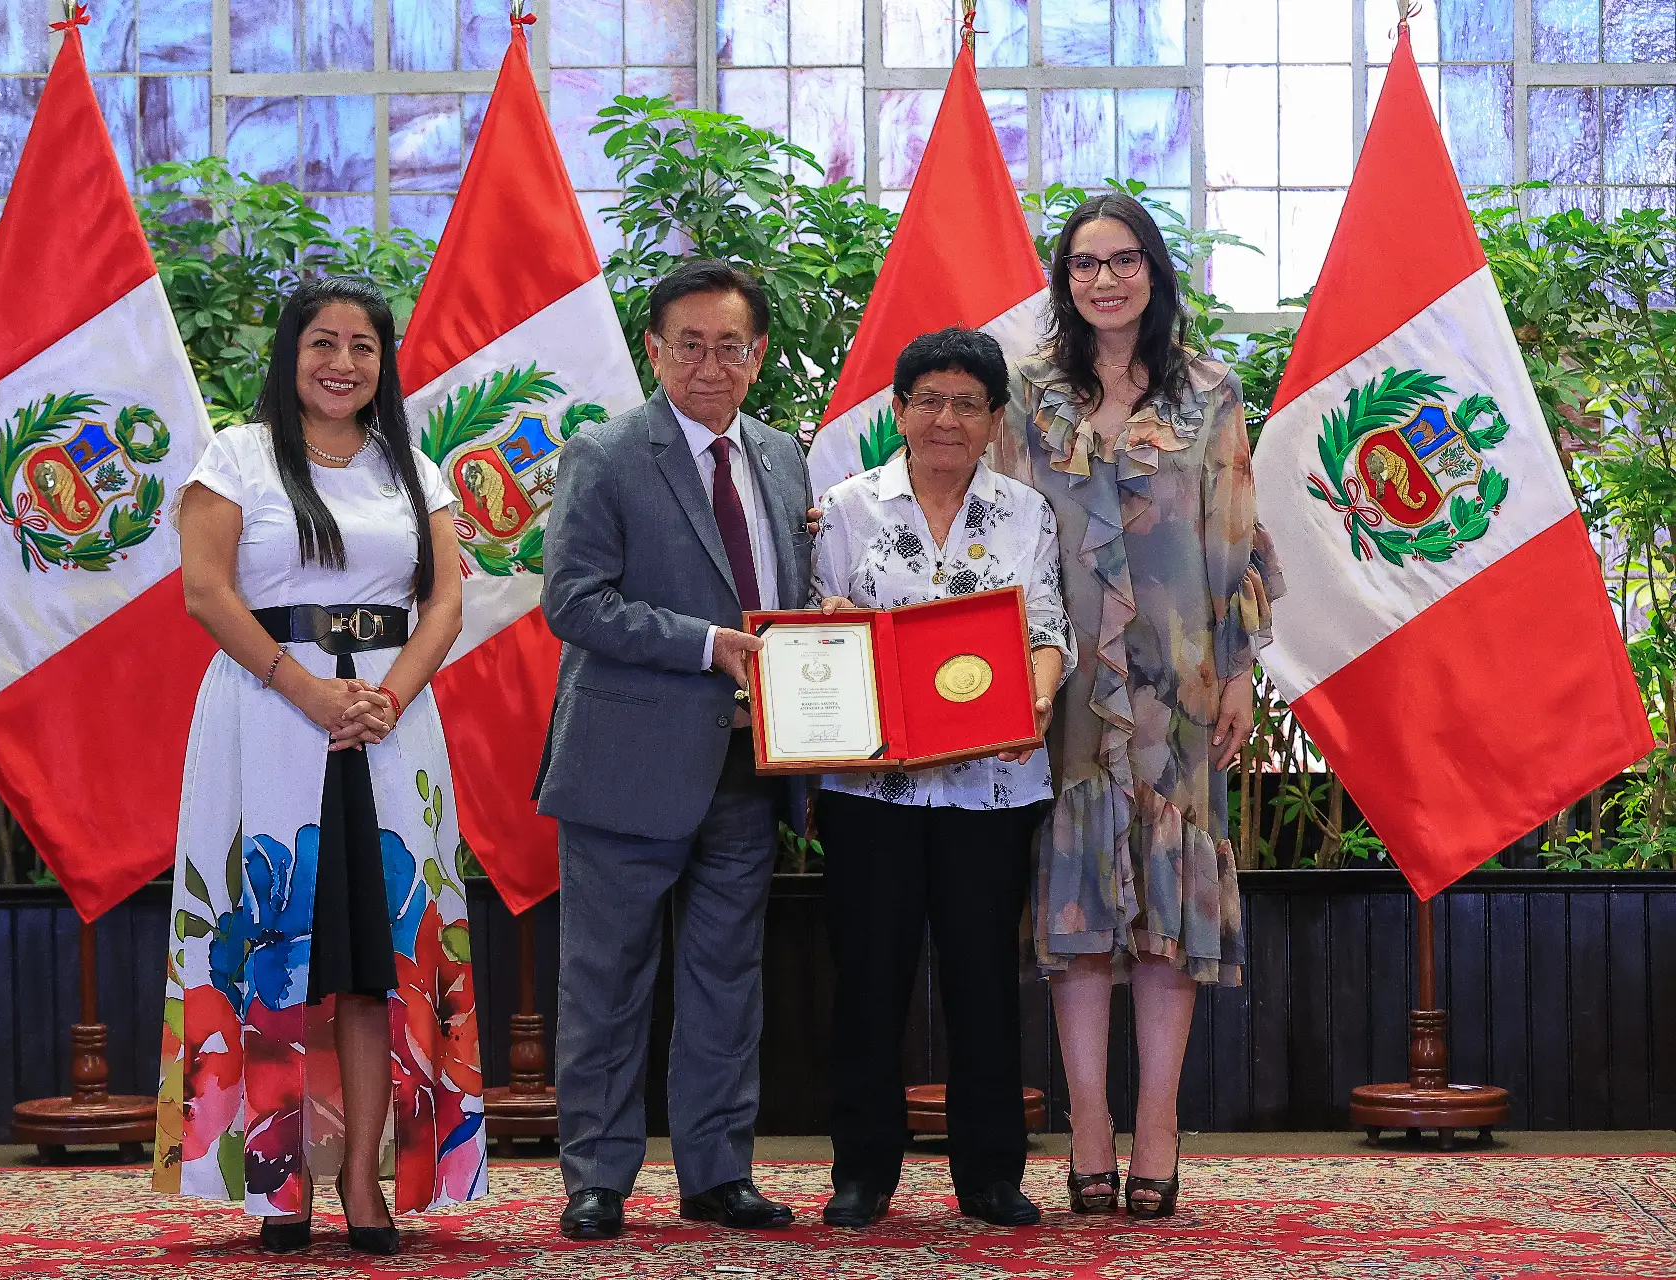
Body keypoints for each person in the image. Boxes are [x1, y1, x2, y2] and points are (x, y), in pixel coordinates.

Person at [156, 276, 485, 1255]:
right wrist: (305, 688)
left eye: (363, 347)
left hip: (390, 726)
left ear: (384, 365)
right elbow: (206, 591)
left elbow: (446, 603)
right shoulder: (240, 456)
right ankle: (277, 1178)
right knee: (276, 953)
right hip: (268, 716)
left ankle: (367, 1185)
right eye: (323, 344)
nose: (343, 363)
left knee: (378, 965)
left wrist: (390, 694)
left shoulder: (409, 466)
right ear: (291, 355)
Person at [992, 192, 1277, 1220]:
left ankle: (1156, 1123)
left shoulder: (1211, 391)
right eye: (1082, 263)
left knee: (1164, 915)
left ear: (1155, 273)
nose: (1103, 278)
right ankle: (1089, 1127)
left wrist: (1238, 668)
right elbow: (991, 535)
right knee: (1076, 916)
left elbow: (1236, 537)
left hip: (1179, 683)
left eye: (1122, 260)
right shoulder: (1025, 397)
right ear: (1062, 280)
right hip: (1057, 687)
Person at [536, 259, 814, 1241]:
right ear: (653, 350)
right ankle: (598, 1177)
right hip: (626, 760)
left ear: (759, 354)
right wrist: (707, 645)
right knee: (606, 977)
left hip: (749, 764)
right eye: (687, 343)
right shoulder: (604, 453)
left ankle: (716, 1171)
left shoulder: (784, 455)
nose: (709, 363)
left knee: (724, 975)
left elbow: (799, 600)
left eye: (729, 344)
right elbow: (572, 600)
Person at [810, 328, 1075, 1230]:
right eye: (928, 400)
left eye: (967, 402)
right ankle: (861, 1175)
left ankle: (992, 1175)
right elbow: (815, 631)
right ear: (899, 411)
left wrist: (1033, 705)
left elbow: (1047, 628)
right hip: (868, 791)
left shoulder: (1026, 513)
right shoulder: (846, 507)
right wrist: (833, 629)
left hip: (991, 789)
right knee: (869, 980)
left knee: (981, 981)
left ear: (996, 418)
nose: (946, 418)